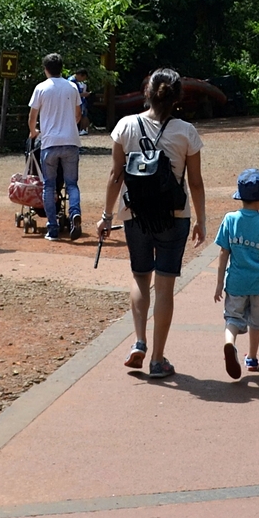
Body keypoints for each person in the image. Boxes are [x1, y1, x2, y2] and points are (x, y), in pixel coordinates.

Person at [97, 68, 207, 380]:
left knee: (140, 278)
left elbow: (115, 176)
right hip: (174, 217)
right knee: (166, 286)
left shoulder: (125, 125)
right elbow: (195, 183)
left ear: (146, 92)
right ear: (177, 98)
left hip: (135, 215)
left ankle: (139, 341)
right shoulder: (186, 131)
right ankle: (158, 360)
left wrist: (106, 217)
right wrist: (200, 219)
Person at [213, 168, 259, 378]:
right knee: (256, 322)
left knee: (232, 318)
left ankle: (229, 343)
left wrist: (218, 284)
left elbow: (224, 252)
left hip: (235, 282)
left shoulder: (230, 220)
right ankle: (251, 357)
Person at [28, 52, 86, 240]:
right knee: (71, 184)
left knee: (49, 186)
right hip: (71, 141)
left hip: (50, 143)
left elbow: (32, 117)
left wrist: (33, 131)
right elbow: (78, 115)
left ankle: (52, 229)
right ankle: (75, 213)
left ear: (46, 69)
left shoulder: (41, 88)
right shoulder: (72, 87)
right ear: (62, 68)